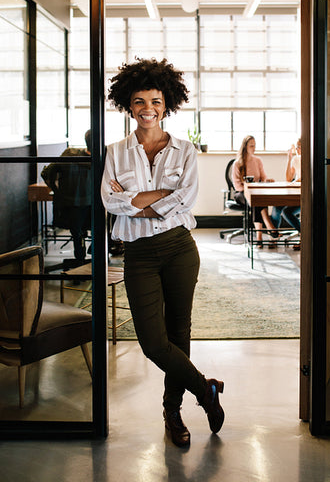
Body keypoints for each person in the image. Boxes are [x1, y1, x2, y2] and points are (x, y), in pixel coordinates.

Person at [101, 57, 224, 448]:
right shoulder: (115, 152)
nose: (147, 109)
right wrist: (159, 199)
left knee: (179, 331)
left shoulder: (185, 150)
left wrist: (134, 200)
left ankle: (173, 412)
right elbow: (109, 201)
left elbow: (186, 199)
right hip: (138, 252)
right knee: (153, 342)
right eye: (139, 101)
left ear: (166, 104)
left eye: (155, 101)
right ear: (128, 106)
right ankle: (205, 390)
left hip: (178, 249)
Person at [41, 130, 92, 264]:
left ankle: (80, 258)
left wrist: (57, 191)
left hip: (69, 206)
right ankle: (99, 249)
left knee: (77, 231)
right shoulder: (100, 159)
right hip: (90, 208)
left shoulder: (69, 154)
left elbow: (46, 173)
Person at [232, 135, 278, 247]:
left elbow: (263, 177)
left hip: (255, 193)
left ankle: (259, 237)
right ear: (245, 147)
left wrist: (267, 180)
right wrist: (249, 190)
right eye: (251, 146)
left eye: (255, 145)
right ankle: (267, 228)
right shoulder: (237, 163)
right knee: (254, 200)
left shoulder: (258, 161)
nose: (254, 148)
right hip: (241, 193)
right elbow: (237, 185)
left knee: (257, 200)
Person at [280, 138, 301, 232]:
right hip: (298, 194)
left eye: (299, 147)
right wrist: (289, 160)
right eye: (296, 147)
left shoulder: (311, 158)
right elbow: (288, 178)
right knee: (285, 212)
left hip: (308, 195)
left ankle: (304, 235)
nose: (297, 149)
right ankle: (303, 233)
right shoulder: (296, 159)